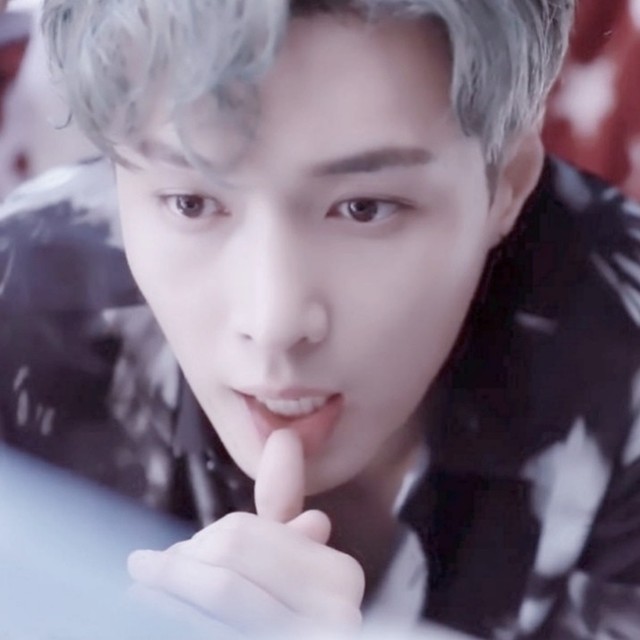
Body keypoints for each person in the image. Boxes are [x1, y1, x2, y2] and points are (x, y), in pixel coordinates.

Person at [2, 0, 640, 638]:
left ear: (508, 183)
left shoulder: (624, 361)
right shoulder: (21, 306)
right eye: (190, 202)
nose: (273, 321)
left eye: (365, 208)